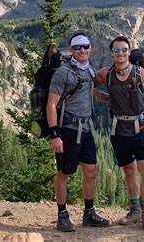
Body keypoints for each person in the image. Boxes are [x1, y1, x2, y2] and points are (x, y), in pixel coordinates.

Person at [96, 36, 144, 233]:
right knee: (129, 171)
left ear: (129, 51)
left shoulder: (143, 75)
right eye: (116, 51)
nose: (120, 54)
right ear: (111, 53)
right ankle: (135, 210)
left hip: (142, 129)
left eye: (124, 50)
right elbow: (88, 85)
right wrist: (104, 97)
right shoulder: (105, 74)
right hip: (119, 130)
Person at [46, 32, 111, 232]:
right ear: (72, 50)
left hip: (86, 128)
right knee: (64, 172)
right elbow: (51, 104)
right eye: (78, 47)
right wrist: (54, 134)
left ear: (90, 48)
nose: (83, 50)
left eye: (86, 46)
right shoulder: (63, 72)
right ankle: (62, 215)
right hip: (67, 129)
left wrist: (110, 98)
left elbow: (90, 93)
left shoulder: (90, 71)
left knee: (91, 171)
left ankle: (89, 213)